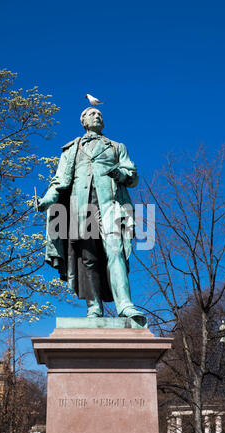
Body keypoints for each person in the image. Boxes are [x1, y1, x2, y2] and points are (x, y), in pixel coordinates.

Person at [38, 107, 145, 323]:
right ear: (83, 121)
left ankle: (124, 304)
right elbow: (61, 181)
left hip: (112, 206)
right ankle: (94, 307)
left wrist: (120, 173)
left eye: (100, 115)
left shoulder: (116, 147)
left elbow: (133, 177)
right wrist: (46, 200)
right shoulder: (72, 149)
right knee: (89, 259)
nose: (97, 116)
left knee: (116, 252)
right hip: (82, 207)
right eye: (92, 114)